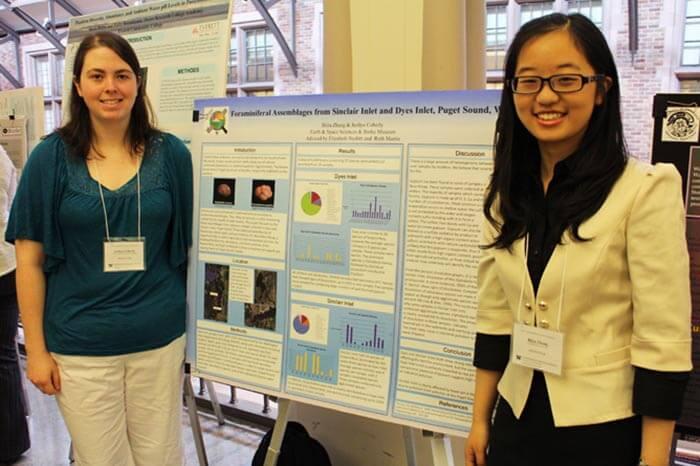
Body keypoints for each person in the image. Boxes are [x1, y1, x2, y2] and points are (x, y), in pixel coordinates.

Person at [465, 13, 692, 466]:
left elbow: (662, 341)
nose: (546, 96)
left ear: (602, 88)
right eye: (528, 81)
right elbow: (493, 314)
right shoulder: (506, 193)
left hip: (604, 428)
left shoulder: (645, 189)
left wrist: (653, 461)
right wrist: (479, 419)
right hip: (517, 416)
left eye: (566, 80)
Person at [6, 31, 192, 466]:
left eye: (122, 75)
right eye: (98, 75)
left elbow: (185, 249)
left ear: (137, 83)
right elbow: (29, 262)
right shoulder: (49, 159)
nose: (111, 86)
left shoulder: (171, 155)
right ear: (78, 86)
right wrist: (35, 349)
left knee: (161, 457)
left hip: (158, 340)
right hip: (80, 345)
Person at [0, 144, 30, 464]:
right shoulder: (2, 155)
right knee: (6, 355)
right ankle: (12, 442)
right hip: (7, 266)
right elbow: (11, 197)